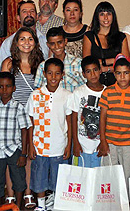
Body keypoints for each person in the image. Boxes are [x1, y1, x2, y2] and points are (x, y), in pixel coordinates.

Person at [0, 26, 44, 207]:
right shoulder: (9, 63)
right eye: (22, 39)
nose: (26, 43)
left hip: (34, 118)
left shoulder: (40, 64)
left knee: (27, 156)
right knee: (11, 157)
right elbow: (1, 91)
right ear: (16, 43)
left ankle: (27, 194)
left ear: (35, 42)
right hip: (12, 117)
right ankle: (10, 194)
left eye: (30, 39)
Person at [26, 58, 72, 211]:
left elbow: (69, 122)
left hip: (60, 145)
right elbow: (30, 123)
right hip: (40, 146)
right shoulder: (35, 95)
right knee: (39, 177)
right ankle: (41, 206)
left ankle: (56, 204)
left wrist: (69, 145)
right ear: (44, 74)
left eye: (57, 73)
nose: (53, 77)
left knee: (59, 178)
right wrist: (31, 146)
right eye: (50, 73)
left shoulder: (67, 95)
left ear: (62, 75)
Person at [0, 72, 30, 207]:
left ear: (14, 88)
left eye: (8, 86)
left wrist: (23, 154)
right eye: (1, 87)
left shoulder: (18, 108)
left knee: (19, 179)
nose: (4, 90)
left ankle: (17, 206)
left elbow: (24, 131)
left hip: (14, 150)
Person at [98, 54, 130, 189]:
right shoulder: (108, 92)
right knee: (110, 176)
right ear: (114, 74)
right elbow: (102, 117)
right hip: (110, 142)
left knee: (128, 176)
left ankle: (127, 204)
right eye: (118, 73)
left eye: (126, 73)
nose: (122, 77)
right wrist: (103, 141)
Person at [83, 1, 130, 86]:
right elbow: (87, 64)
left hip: (118, 83)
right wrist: (113, 60)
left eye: (108, 14)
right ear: (97, 17)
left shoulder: (121, 37)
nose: (105, 17)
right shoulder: (89, 36)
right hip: (96, 84)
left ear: (113, 16)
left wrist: (104, 67)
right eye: (102, 14)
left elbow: (126, 65)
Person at [69, 56, 105, 168]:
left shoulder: (107, 92)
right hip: (82, 145)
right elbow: (74, 118)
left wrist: (105, 142)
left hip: (100, 145)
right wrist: (75, 143)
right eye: (88, 71)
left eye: (95, 70)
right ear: (83, 74)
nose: (93, 74)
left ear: (100, 70)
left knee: (99, 180)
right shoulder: (78, 92)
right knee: (82, 179)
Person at [0, 0, 49, 65]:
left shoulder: (46, 40)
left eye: (32, 11)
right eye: (24, 11)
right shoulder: (9, 42)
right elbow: (0, 67)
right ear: (18, 18)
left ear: (37, 17)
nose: (29, 14)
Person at [35, 27, 84, 92]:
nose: (57, 46)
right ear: (48, 45)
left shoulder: (78, 63)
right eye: (52, 44)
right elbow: (38, 91)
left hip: (73, 101)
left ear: (65, 41)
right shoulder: (43, 66)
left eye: (59, 42)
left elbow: (85, 87)